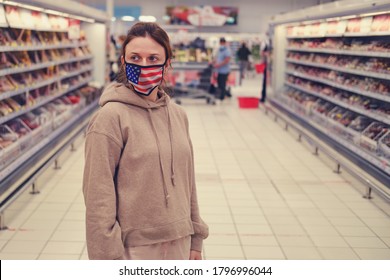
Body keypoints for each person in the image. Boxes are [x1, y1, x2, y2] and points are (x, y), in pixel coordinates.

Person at [82, 22, 209, 260]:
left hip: (180, 243)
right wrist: (107, 258)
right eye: (135, 57)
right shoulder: (109, 118)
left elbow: (187, 181)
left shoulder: (178, 115)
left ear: (167, 64)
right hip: (133, 249)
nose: (143, 65)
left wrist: (196, 238)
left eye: (153, 59)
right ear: (123, 62)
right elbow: (98, 195)